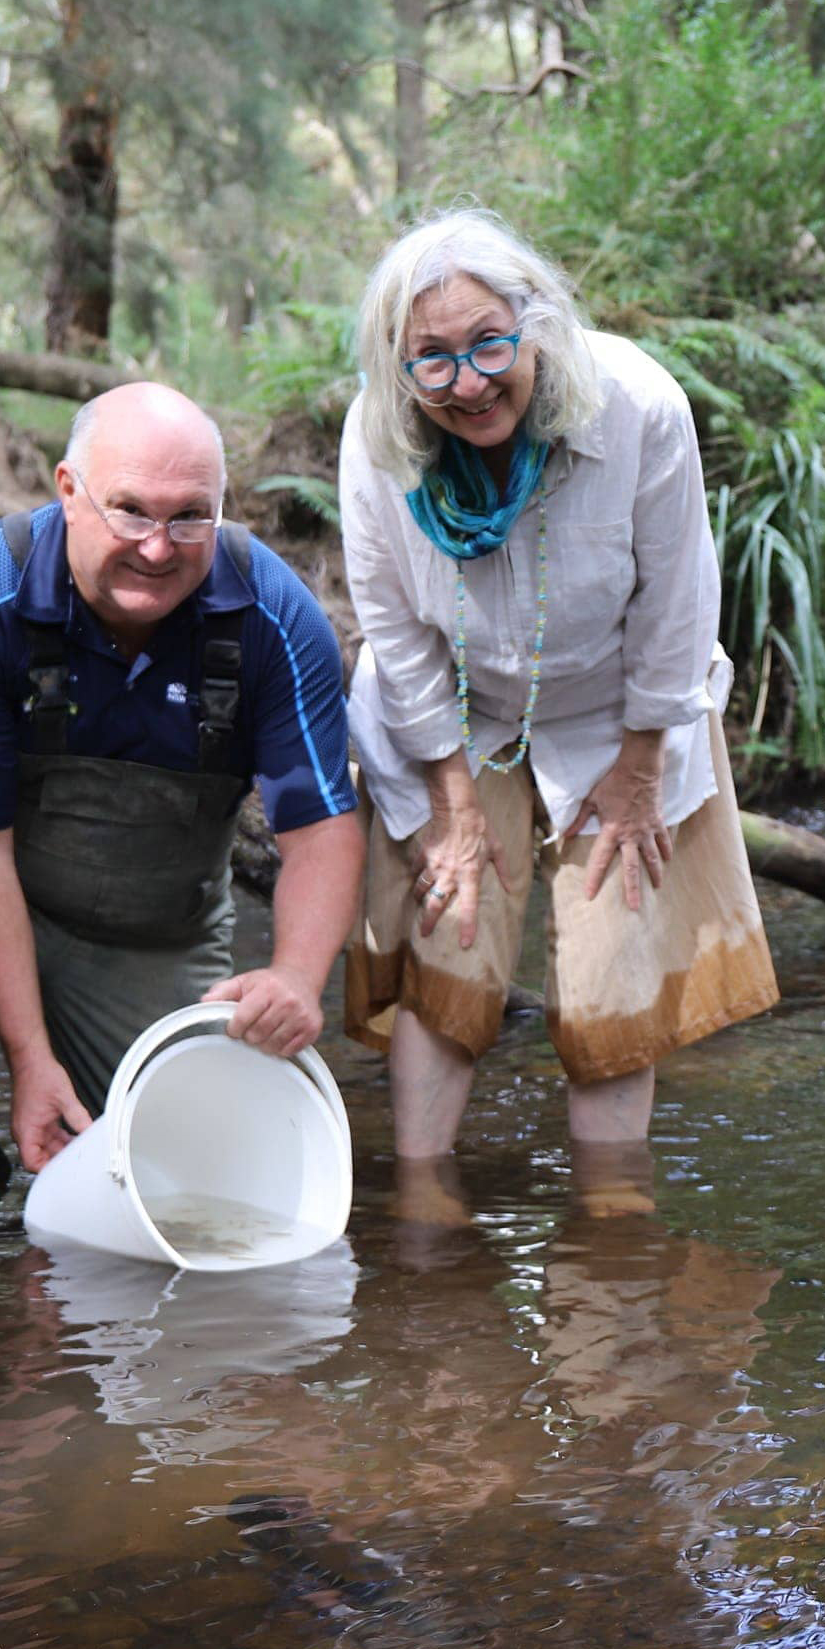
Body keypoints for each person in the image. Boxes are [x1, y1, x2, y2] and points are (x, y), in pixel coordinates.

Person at [0, 383, 365, 1185]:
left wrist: (298, 974)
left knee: (203, 1182)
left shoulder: (277, 620)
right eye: (129, 510)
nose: (157, 547)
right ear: (68, 491)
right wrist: (27, 1060)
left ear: (222, 510)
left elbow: (322, 832)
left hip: (152, 928)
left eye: (189, 516)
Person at [338, 211, 778, 1194]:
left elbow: (677, 600)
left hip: (624, 704)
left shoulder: (635, 408)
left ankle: (613, 1232)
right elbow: (393, 630)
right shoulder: (375, 439)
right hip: (454, 708)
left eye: (490, 342)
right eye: (433, 359)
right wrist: (450, 800)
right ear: (396, 366)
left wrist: (637, 768)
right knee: (445, 931)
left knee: (613, 954)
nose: (470, 381)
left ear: (533, 323)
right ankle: (420, 1208)